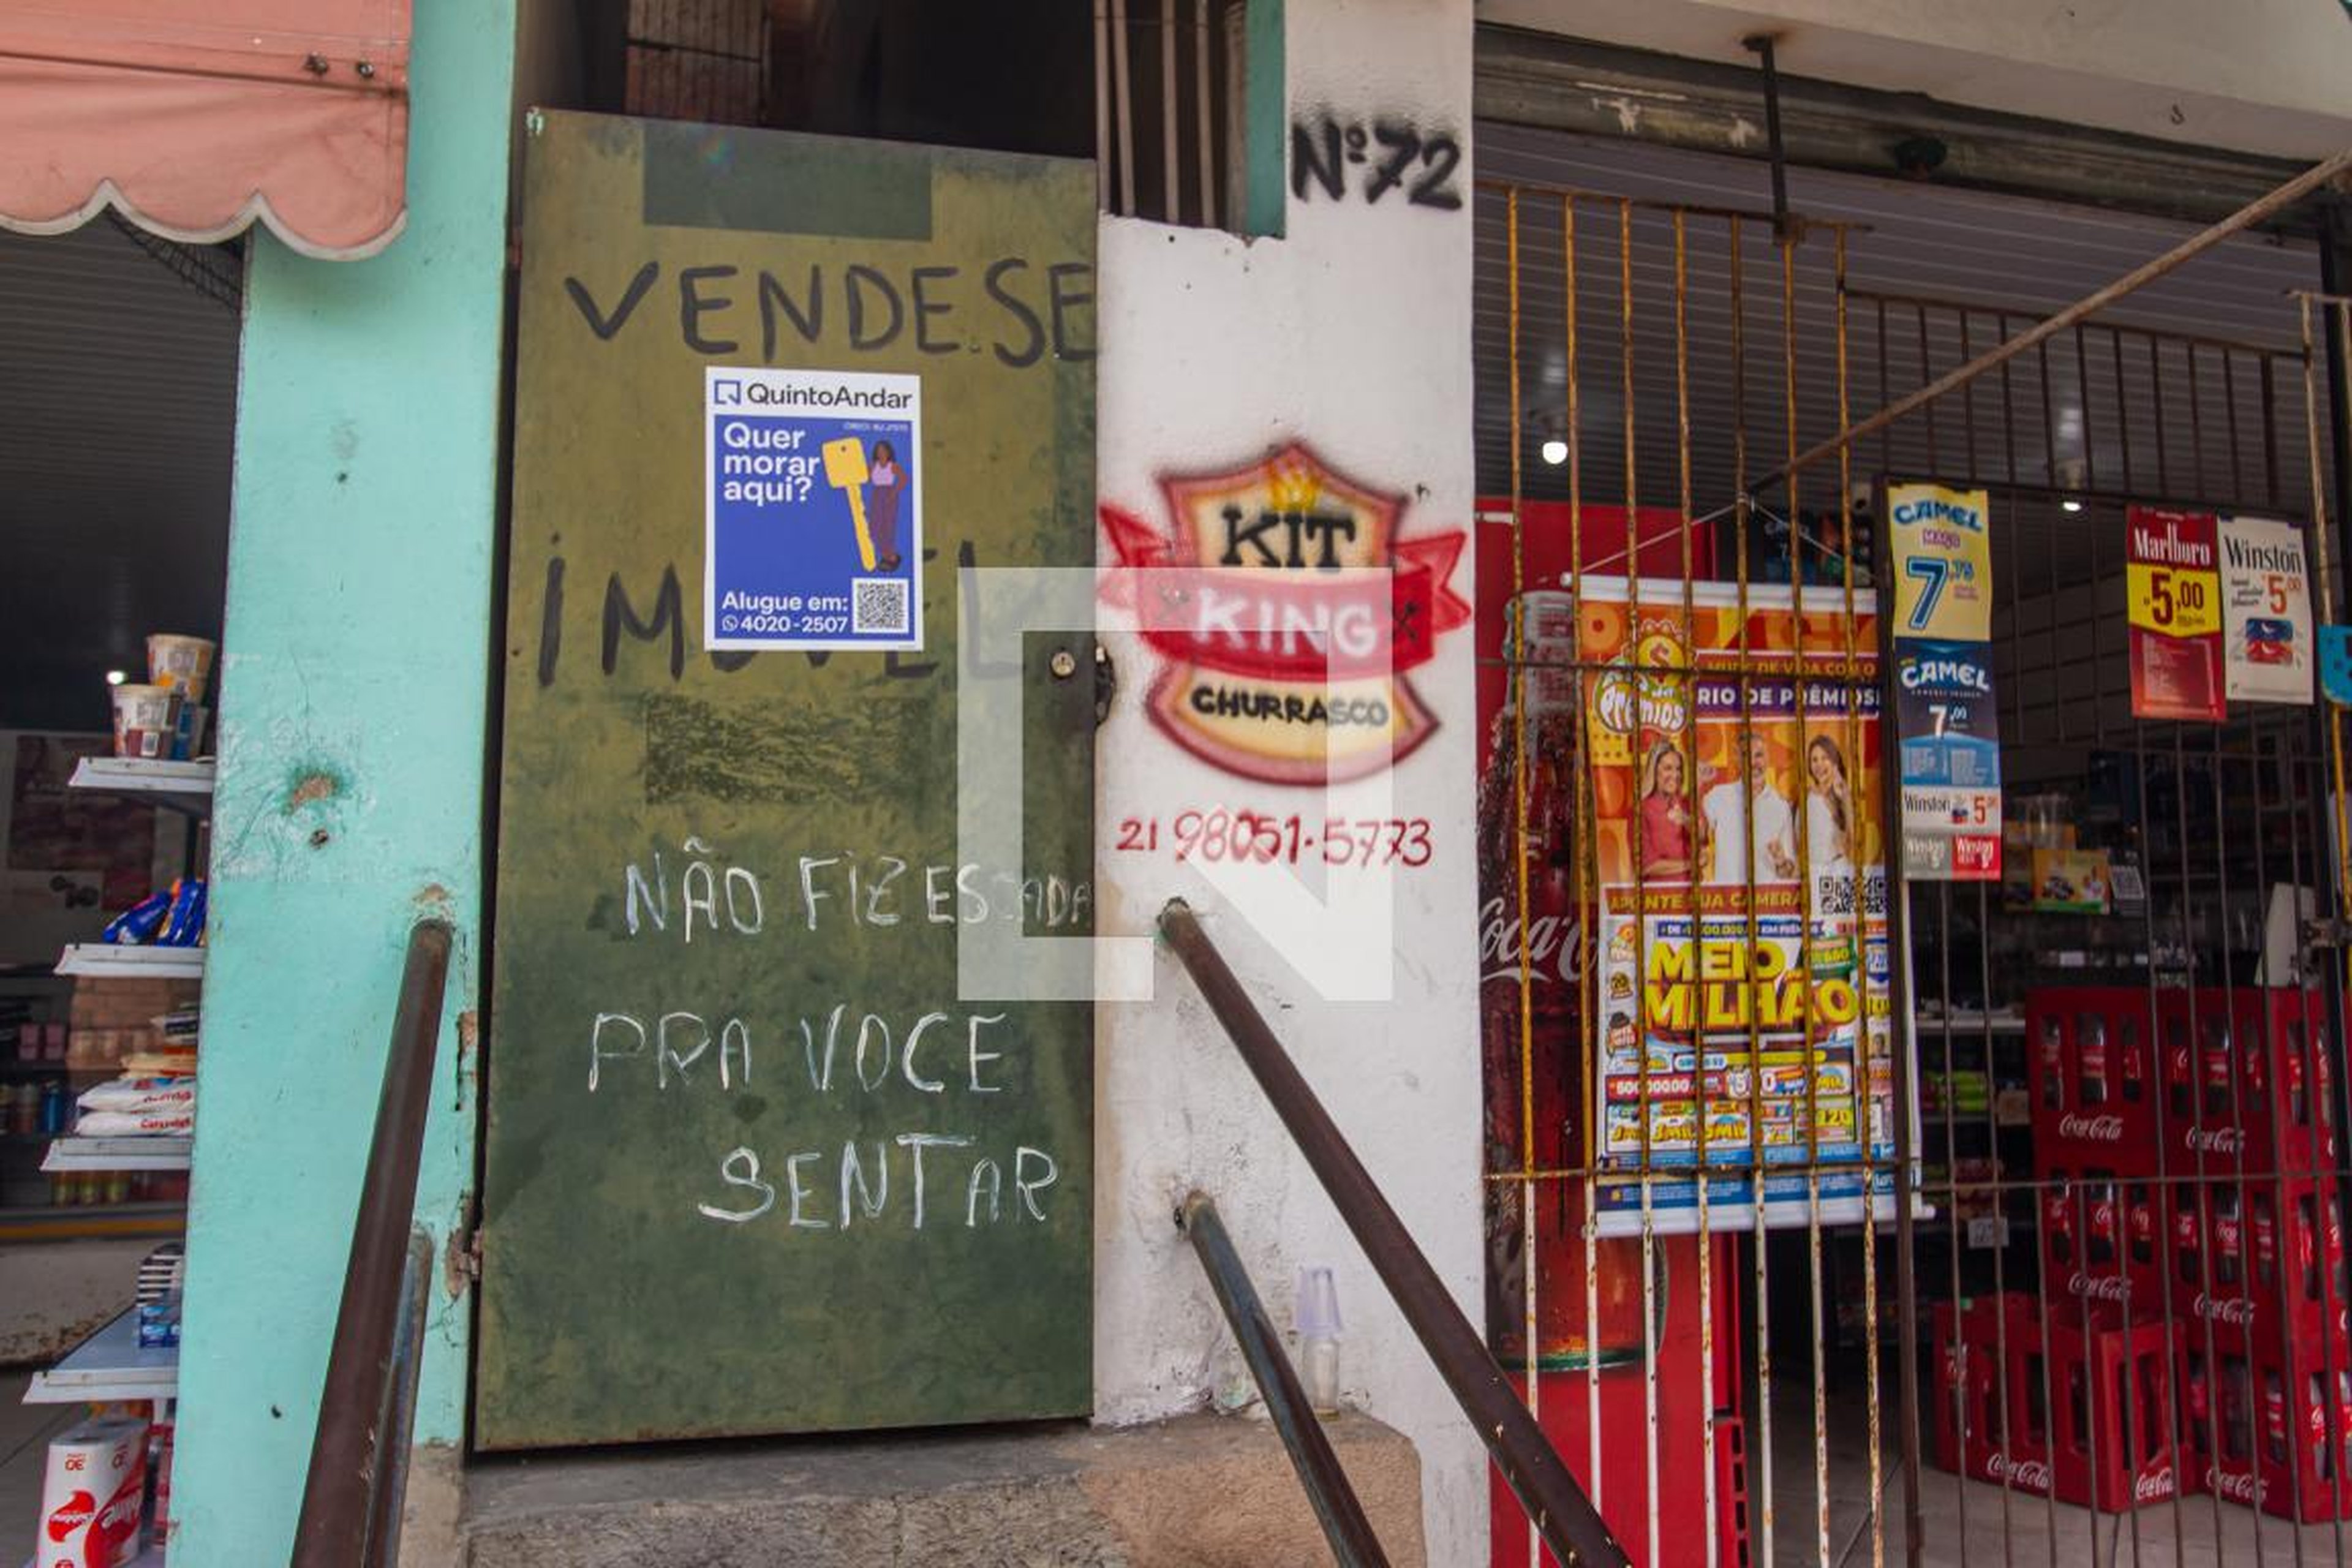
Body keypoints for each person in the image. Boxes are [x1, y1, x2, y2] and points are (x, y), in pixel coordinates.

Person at [1700, 733, 1796, 886]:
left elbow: (1788, 873)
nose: (1753, 762)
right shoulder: (1717, 796)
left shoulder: (1781, 806)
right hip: (1728, 902)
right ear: (1737, 760)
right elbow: (1697, 834)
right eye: (1746, 755)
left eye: (1758, 755)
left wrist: (1781, 861)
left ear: (1767, 759)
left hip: (1766, 903)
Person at [1635, 741, 1692, 880]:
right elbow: (1647, 866)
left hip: (1692, 894)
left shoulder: (1686, 803)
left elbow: (1704, 839)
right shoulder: (1641, 810)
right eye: (1668, 768)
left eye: (1678, 769)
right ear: (1654, 771)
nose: (1675, 775)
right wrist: (1690, 864)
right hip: (1658, 896)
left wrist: (1686, 820)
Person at [867, 438, 908, 570]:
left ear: (889, 452)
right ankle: (889, 556)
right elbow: (864, 477)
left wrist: (894, 493)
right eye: (878, 450)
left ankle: (889, 558)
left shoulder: (893, 466)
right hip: (877, 495)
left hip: (889, 495)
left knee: (888, 527)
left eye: (883, 450)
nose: (881, 453)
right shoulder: (873, 465)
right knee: (874, 528)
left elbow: (903, 479)